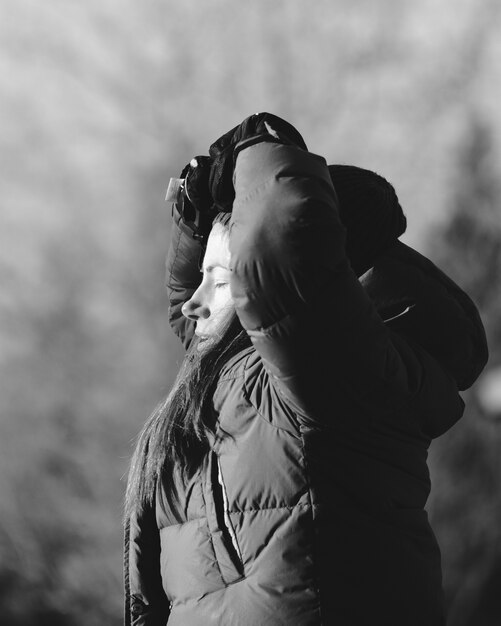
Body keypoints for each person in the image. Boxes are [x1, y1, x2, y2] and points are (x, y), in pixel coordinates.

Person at [123, 113, 488, 626]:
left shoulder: (330, 376)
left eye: (222, 281)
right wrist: (197, 222)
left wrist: (257, 144)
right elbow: (207, 311)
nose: (193, 304)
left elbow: (281, 261)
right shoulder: (239, 387)